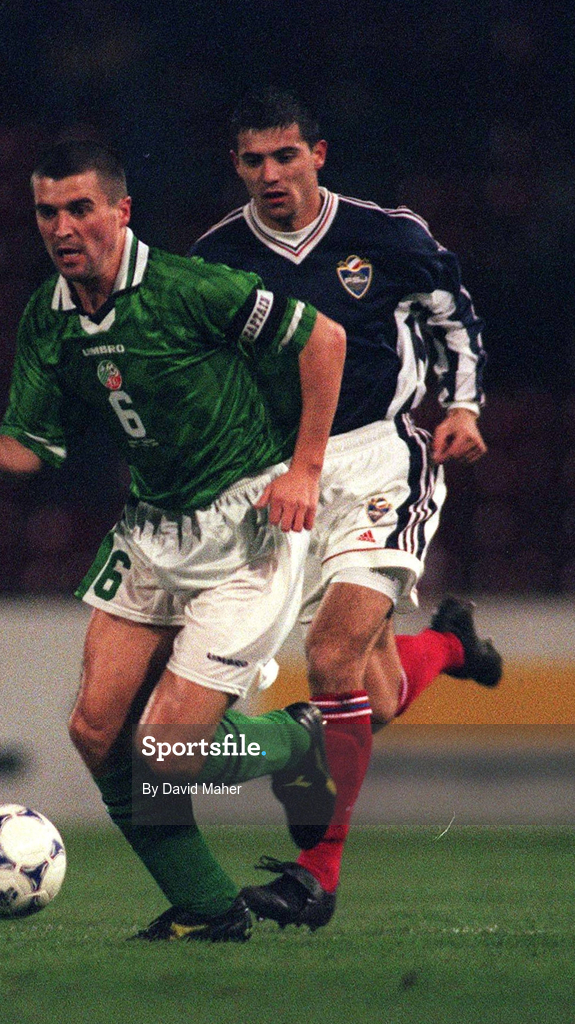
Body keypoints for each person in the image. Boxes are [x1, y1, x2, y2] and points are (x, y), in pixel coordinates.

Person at [0, 139, 346, 941]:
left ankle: (297, 743)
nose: (63, 227)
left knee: (162, 752)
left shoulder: (186, 288)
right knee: (97, 731)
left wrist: (304, 471)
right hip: (154, 529)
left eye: (81, 208)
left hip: (245, 530)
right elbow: (39, 444)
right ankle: (209, 908)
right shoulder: (48, 318)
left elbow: (324, 339)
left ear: (121, 212)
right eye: (47, 212)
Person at [190, 86, 502, 931]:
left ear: (317, 155)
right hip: (287, 478)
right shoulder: (217, 257)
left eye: (285, 155)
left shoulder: (385, 235)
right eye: (253, 160)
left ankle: (315, 878)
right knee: (376, 694)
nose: (270, 174)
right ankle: (448, 645)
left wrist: (464, 407)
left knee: (330, 662)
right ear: (236, 166)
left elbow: (453, 316)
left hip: (379, 459)